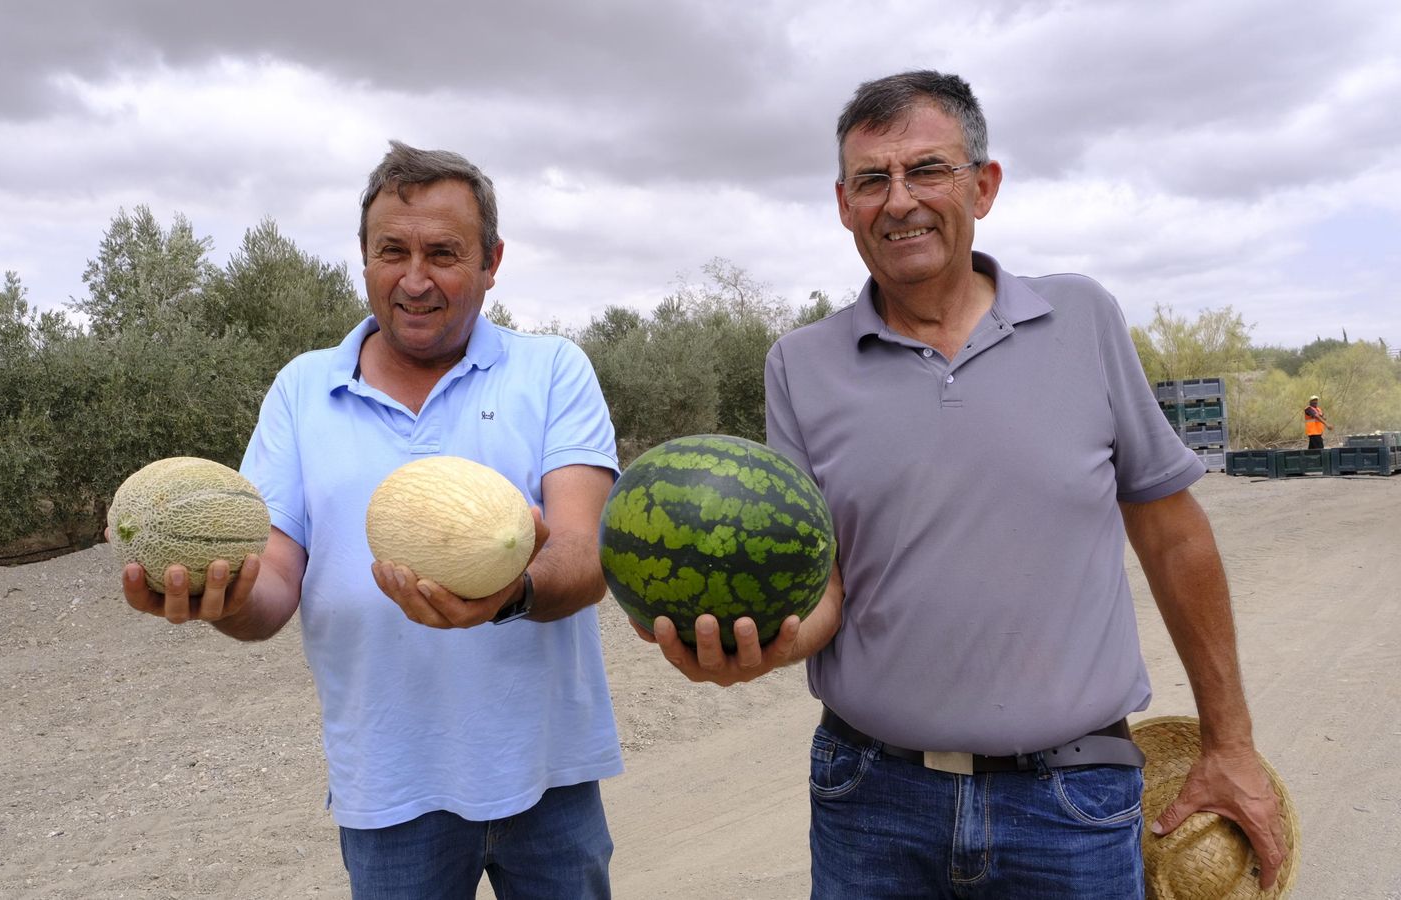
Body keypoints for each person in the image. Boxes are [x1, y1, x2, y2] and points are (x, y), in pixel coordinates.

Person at [635, 71, 1289, 898]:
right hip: (870, 800)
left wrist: (1231, 744)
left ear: (983, 186)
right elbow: (824, 586)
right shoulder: (799, 365)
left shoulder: (1082, 319)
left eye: (927, 170)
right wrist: (759, 647)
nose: (898, 200)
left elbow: (1173, 536)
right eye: (872, 180)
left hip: (1072, 805)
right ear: (844, 205)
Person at [117, 141, 623, 899]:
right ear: (364, 257)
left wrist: (511, 594)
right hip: (387, 787)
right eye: (392, 251)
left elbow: (584, 551)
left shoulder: (552, 370)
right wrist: (220, 599)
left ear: (492, 261)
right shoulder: (301, 390)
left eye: (443, 254)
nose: (414, 280)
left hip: (550, 776)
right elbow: (273, 584)